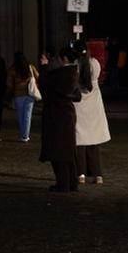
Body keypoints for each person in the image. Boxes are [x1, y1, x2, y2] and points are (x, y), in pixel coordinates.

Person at [38, 45, 84, 192]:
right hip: (67, 113)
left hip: (57, 114)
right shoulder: (74, 72)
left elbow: (44, 83)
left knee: (58, 150)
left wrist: (44, 66)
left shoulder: (63, 73)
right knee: (68, 150)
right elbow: (77, 95)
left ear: (63, 59)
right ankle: (71, 182)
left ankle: (63, 183)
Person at [73, 43, 111, 185]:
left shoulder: (75, 65)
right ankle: (98, 174)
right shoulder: (95, 63)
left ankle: (81, 174)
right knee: (93, 142)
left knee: (80, 141)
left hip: (79, 105)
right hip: (94, 104)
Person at [7, 51, 40, 143]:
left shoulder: (13, 69)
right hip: (30, 94)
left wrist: (10, 93)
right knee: (27, 116)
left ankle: (23, 134)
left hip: (18, 95)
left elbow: (9, 83)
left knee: (20, 115)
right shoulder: (30, 67)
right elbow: (38, 77)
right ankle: (25, 136)